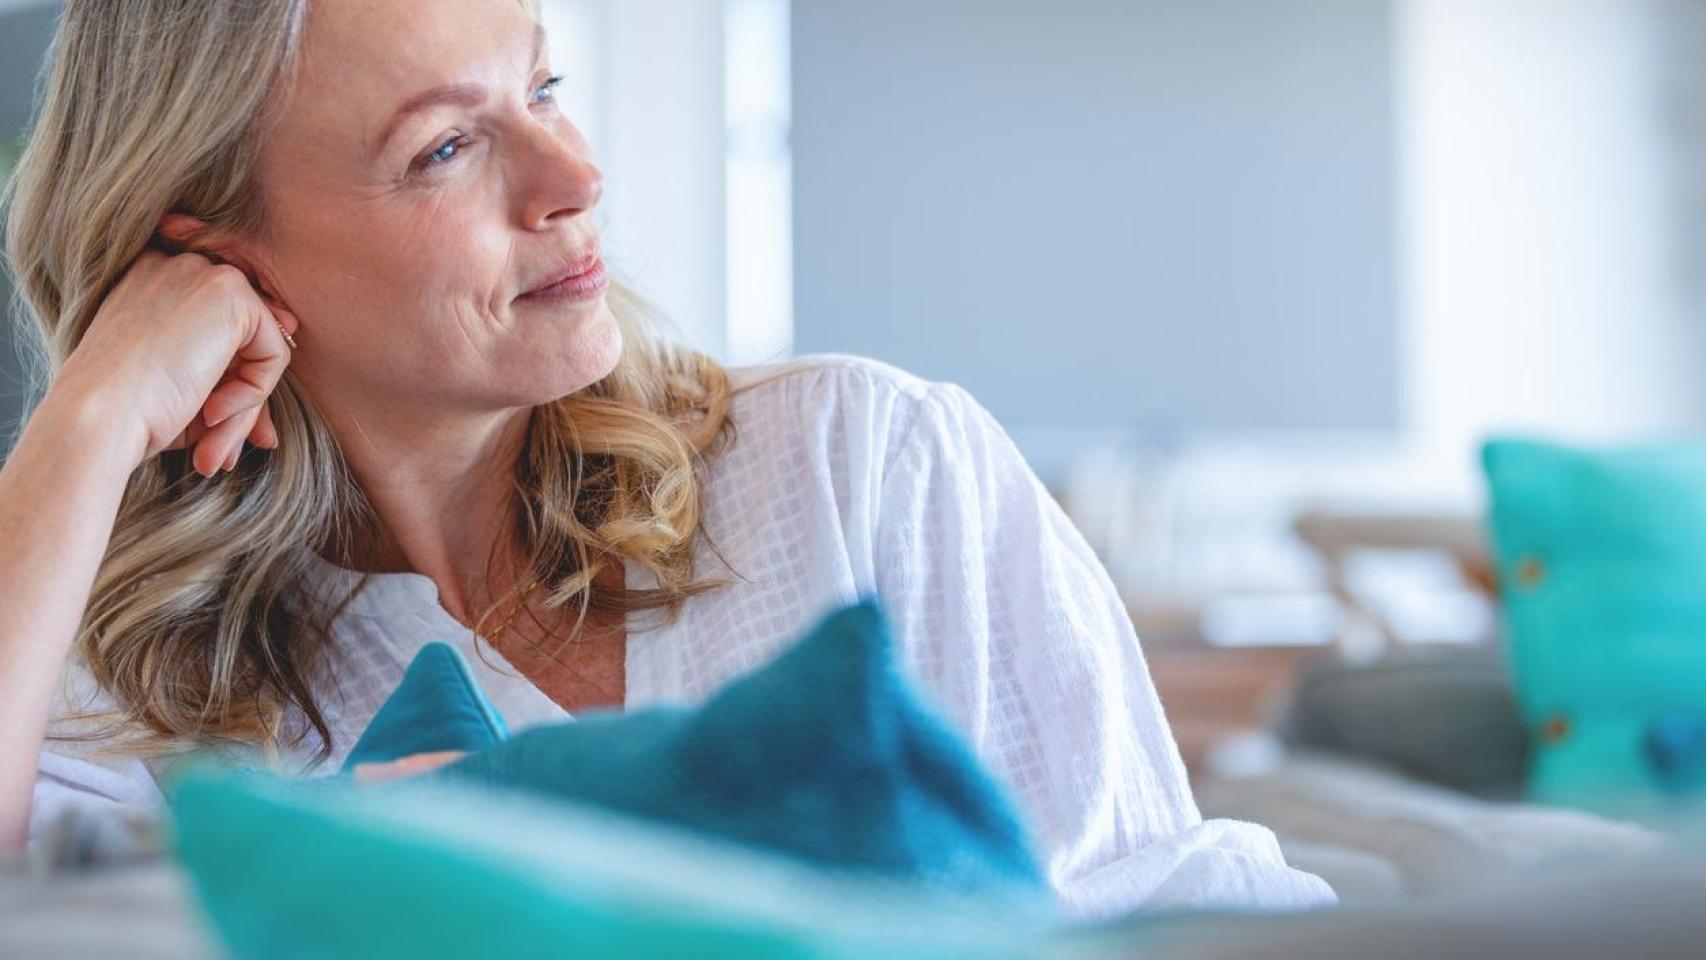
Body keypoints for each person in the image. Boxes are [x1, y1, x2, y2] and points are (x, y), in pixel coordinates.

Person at [0, 0, 1332, 919]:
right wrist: (89, 423)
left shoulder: (863, 466)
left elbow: (1171, 913)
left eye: (543, 89)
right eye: (448, 146)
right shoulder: (130, 677)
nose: (570, 174)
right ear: (216, 253)